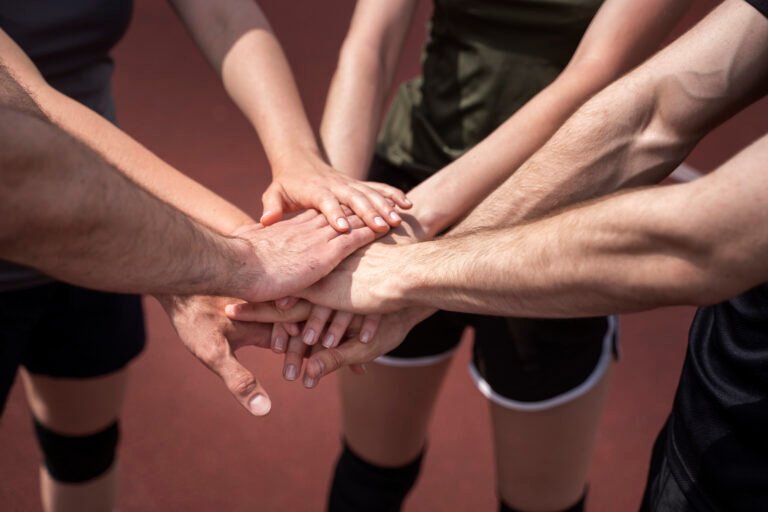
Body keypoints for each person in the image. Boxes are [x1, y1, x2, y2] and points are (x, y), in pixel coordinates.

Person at [229, 0, 768, 509]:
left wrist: (407, 235)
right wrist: (335, 220)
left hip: (560, 218)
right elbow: (371, 41)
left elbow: (593, 78)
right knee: (371, 469)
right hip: (401, 195)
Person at [0, 1, 402, 509]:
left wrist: (297, 156)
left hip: (109, 217)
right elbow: (30, 104)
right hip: (58, 206)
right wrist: (240, 253)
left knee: (83, 449)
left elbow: (223, 14)